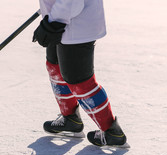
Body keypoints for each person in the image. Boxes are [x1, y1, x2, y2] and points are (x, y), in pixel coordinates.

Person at [33, 0, 127, 147]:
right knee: (54, 65)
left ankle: (112, 132)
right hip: (60, 20)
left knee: (79, 80)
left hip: (75, 26)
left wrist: (52, 22)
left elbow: (73, 2)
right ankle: (70, 119)